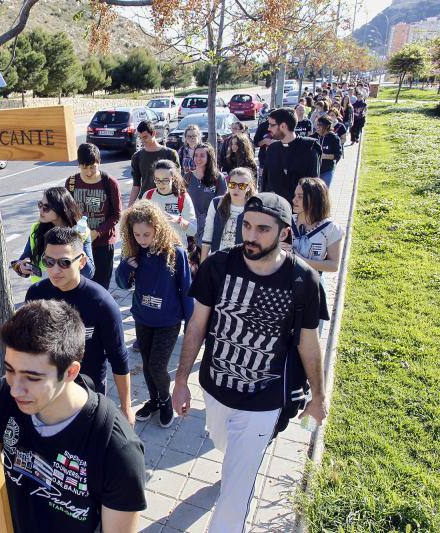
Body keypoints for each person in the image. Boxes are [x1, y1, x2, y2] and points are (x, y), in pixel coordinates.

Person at [171, 193, 329, 532]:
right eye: (246, 226)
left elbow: (308, 344)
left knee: (237, 488)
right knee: (224, 446)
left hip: (265, 399)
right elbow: (197, 324)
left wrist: (318, 396)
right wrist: (181, 380)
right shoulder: (218, 266)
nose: (251, 236)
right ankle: (237, 461)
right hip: (215, 389)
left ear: (284, 233)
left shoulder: (303, 281)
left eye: (262, 229)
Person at [0, 299, 147, 533]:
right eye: (10, 370)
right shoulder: (3, 397)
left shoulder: (116, 448)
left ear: (70, 372)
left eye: (32, 377)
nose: (15, 389)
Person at [25, 226, 134, 425]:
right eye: (49, 262)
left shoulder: (101, 303)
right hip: (47, 392)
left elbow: (119, 359)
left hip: (87, 395)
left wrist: (126, 407)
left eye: (64, 262)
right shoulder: (36, 295)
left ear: (82, 261)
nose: (55, 270)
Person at [115, 201, 193, 427]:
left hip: (168, 320)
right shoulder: (134, 252)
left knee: (158, 366)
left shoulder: (175, 253)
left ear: (158, 228)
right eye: (137, 234)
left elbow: (187, 290)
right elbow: (121, 284)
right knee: (147, 364)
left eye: (146, 234)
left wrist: (191, 325)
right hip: (143, 318)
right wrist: (127, 267)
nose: (142, 239)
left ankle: (166, 400)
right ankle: (155, 400)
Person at [66, 143, 122, 290]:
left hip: (103, 243)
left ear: (99, 163)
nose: (88, 172)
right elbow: (67, 213)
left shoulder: (109, 183)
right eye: (84, 167)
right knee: (80, 286)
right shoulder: (71, 183)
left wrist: (97, 232)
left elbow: (116, 215)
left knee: (101, 287)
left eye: (92, 167)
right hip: (79, 244)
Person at [15, 187, 95, 282]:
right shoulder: (36, 229)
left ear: (61, 209)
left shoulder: (81, 232)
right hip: (42, 290)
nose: (40, 210)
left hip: (68, 291)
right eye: (40, 205)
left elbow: (89, 273)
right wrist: (21, 267)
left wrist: (76, 244)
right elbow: (22, 260)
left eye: (46, 208)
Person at [260, 107, 321, 204]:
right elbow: (266, 182)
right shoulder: (272, 149)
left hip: (299, 209)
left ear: (283, 126)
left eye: (272, 125)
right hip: (275, 208)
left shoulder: (309, 149)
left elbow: (313, 186)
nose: (268, 128)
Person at [200, 167, 257, 262]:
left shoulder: (254, 208)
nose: (236, 189)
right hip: (217, 259)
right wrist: (202, 265)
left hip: (241, 262)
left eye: (242, 186)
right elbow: (207, 237)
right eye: (232, 184)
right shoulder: (216, 203)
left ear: (248, 188)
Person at [286, 177, 343, 273]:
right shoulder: (286, 221)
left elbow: (334, 266)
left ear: (315, 199)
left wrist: (301, 260)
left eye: (300, 197)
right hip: (285, 280)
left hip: (312, 281)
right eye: (295, 195)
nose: (294, 200)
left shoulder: (330, 228)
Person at [142, 159, 197, 247]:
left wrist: (179, 220)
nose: (161, 184)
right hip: (153, 250)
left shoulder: (182, 197)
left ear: (173, 178)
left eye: (165, 180)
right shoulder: (148, 196)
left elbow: (193, 231)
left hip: (177, 250)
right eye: (157, 180)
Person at [185, 143, 228, 246]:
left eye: (202, 155)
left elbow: (222, 204)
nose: (198, 158)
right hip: (191, 225)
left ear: (209, 157)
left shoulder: (218, 178)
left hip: (210, 226)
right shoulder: (188, 176)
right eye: (196, 155)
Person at [129, 120, 180, 206]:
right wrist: (129, 207)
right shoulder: (137, 157)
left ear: (153, 133)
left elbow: (177, 181)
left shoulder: (170, 154)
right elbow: (136, 185)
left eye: (145, 137)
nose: (142, 141)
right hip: (146, 201)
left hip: (168, 200)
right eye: (140, 138)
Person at [312, 116, 342, 187]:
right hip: (314, 171)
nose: (317, 127)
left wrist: (324, 156)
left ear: (327, 126)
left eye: (320, 125)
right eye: (317, 124)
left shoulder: (334, 138)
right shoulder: (313, 137)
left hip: (327, 170)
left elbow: (337, 155)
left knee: (324, 191)